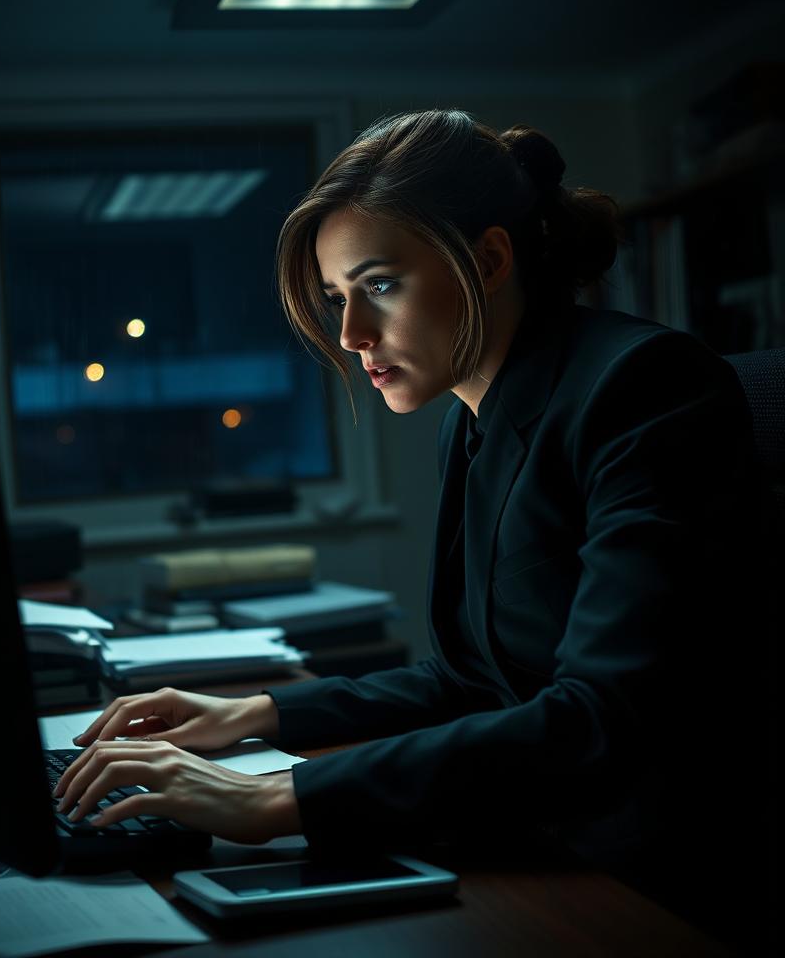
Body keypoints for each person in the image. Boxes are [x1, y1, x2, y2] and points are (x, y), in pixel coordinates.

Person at [53, 110, 772, 947]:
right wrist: (250, 715)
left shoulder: (644, 388)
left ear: (490, 260)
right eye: (336, 299)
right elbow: (471, 678)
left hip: (654, 876)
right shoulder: (470, 417)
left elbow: (600, 715)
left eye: (380, 284)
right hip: (538, 832)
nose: (353, 334)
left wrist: (275, 800)